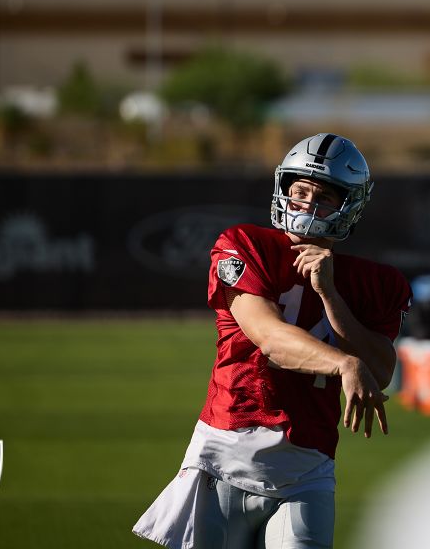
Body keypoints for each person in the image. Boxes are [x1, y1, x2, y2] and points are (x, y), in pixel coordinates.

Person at [134, 133, 411, 549]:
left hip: (307, 470)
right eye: (299, 191)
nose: (306, 206)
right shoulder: (245, 245)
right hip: (224, 457)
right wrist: (342, 363)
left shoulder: (376, 282)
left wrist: (331, 295)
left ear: (349, 206)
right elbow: (269, 337)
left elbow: (382, 371)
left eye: (323, 197)